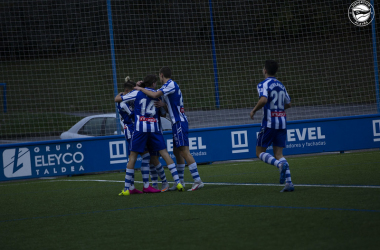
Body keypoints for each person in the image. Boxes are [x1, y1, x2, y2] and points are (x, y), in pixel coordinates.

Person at [135, 67, 204, 191]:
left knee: (184, 151)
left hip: (179, 122)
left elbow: (155, 94)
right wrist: (164, 105)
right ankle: (181, 182)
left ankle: (197, 180)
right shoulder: (168, 87)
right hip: (175, 123)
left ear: (162, 75)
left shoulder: (170, 84)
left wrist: (140, 88)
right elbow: (167, 108)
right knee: (177, 151)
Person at [116, 74, 184, 196]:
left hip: (140, 128)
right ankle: (177, 182)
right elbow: (163, 113)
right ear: (153, 84)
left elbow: (118, 99)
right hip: (154, 128)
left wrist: (125, 92)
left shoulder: (136, 93)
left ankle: (127, 188)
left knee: (133, 156)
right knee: (163, 154)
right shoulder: (158, 95)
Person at [250, 60, 294, 192]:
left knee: (259, 152)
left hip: (270, 123)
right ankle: (289, 183)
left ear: (265, 70)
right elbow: (289, 104)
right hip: (282, 122)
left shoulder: (263, 84)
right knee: (279, 153)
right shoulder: (281, 85)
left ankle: (279, 165)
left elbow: (263, 100)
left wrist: (254, 110)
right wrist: (279, 108)